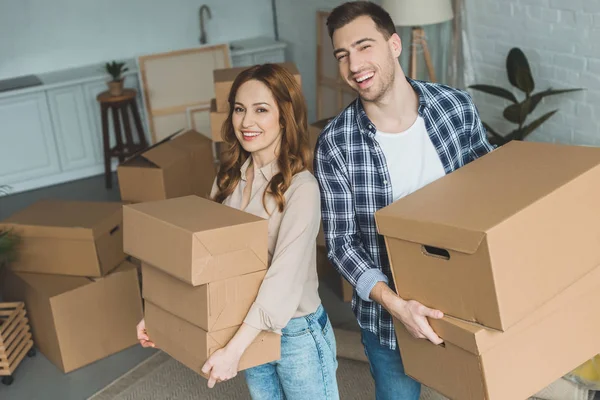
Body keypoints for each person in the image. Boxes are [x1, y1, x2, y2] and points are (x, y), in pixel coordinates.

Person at [312, 2, 495, 399]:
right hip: (389, 316)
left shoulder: (455, 108)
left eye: (364, 46)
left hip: (470, 301)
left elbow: (492, 195)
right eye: (342, 55)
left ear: (394, 44)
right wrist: (398, 306)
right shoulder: (336, 145)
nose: (353, 64)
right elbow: (342, 245)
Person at [137, 63, 339, 400]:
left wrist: (233, 350)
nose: (246, 122)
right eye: (239, 109)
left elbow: (283, 279)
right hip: (244, 325)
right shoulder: (227, 180)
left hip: (295, 333)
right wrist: (161, 318)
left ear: (285, 117)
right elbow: (204, 262)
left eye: (261, 110)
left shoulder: (302, 188)